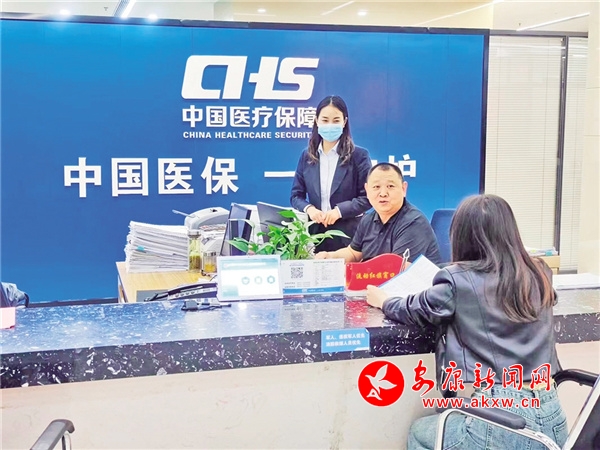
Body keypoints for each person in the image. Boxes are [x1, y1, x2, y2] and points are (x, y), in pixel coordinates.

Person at [366, 194, 567, 450]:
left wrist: (384, 301)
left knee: (419, 432)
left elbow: (415, 308)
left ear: (461, 235)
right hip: (552, 415)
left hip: (502, 417)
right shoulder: (539, 272)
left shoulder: (456, 278)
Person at [315, 162, 441, 265]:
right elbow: (353, 253)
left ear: (403, 189)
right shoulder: (367, 220)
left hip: (411, 288)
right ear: (367, 190)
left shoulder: (414, 222)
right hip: (377, 285)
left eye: (390, 186)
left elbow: (399, 270)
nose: (383, 193)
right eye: (376, 187)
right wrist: (330, 257)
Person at [290, 95, 372, 252]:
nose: (330, 125)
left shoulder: (359, 156)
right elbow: (296, 196)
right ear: (316, 121)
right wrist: (310, 209)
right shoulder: (307, 156)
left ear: (344, 122)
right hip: (314, 236)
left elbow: (367, 198)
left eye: (336, 121)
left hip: (349, 237)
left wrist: (339, 211)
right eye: (325, 120)